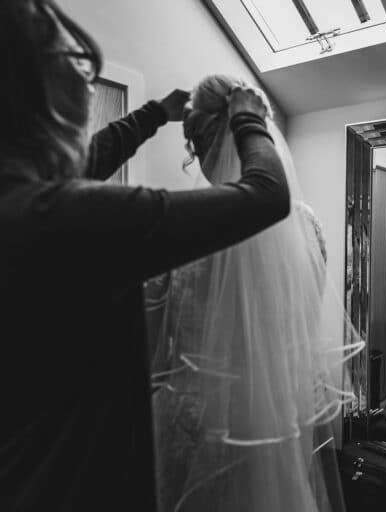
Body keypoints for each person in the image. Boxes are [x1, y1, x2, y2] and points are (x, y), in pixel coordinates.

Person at [0, 2, 290, 510]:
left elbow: (87, 164)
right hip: (75, 483)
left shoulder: (25, 204)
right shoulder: (69, 218)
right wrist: (250, 118)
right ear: (35, 100)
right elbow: (266, 193)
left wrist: (155, 113)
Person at [151, 75, 360, 512]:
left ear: (201, 142)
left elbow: (157, 341)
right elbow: (307, 310)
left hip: (201, 418)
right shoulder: (305, 223)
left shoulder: (187, 224)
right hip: (275, 407)